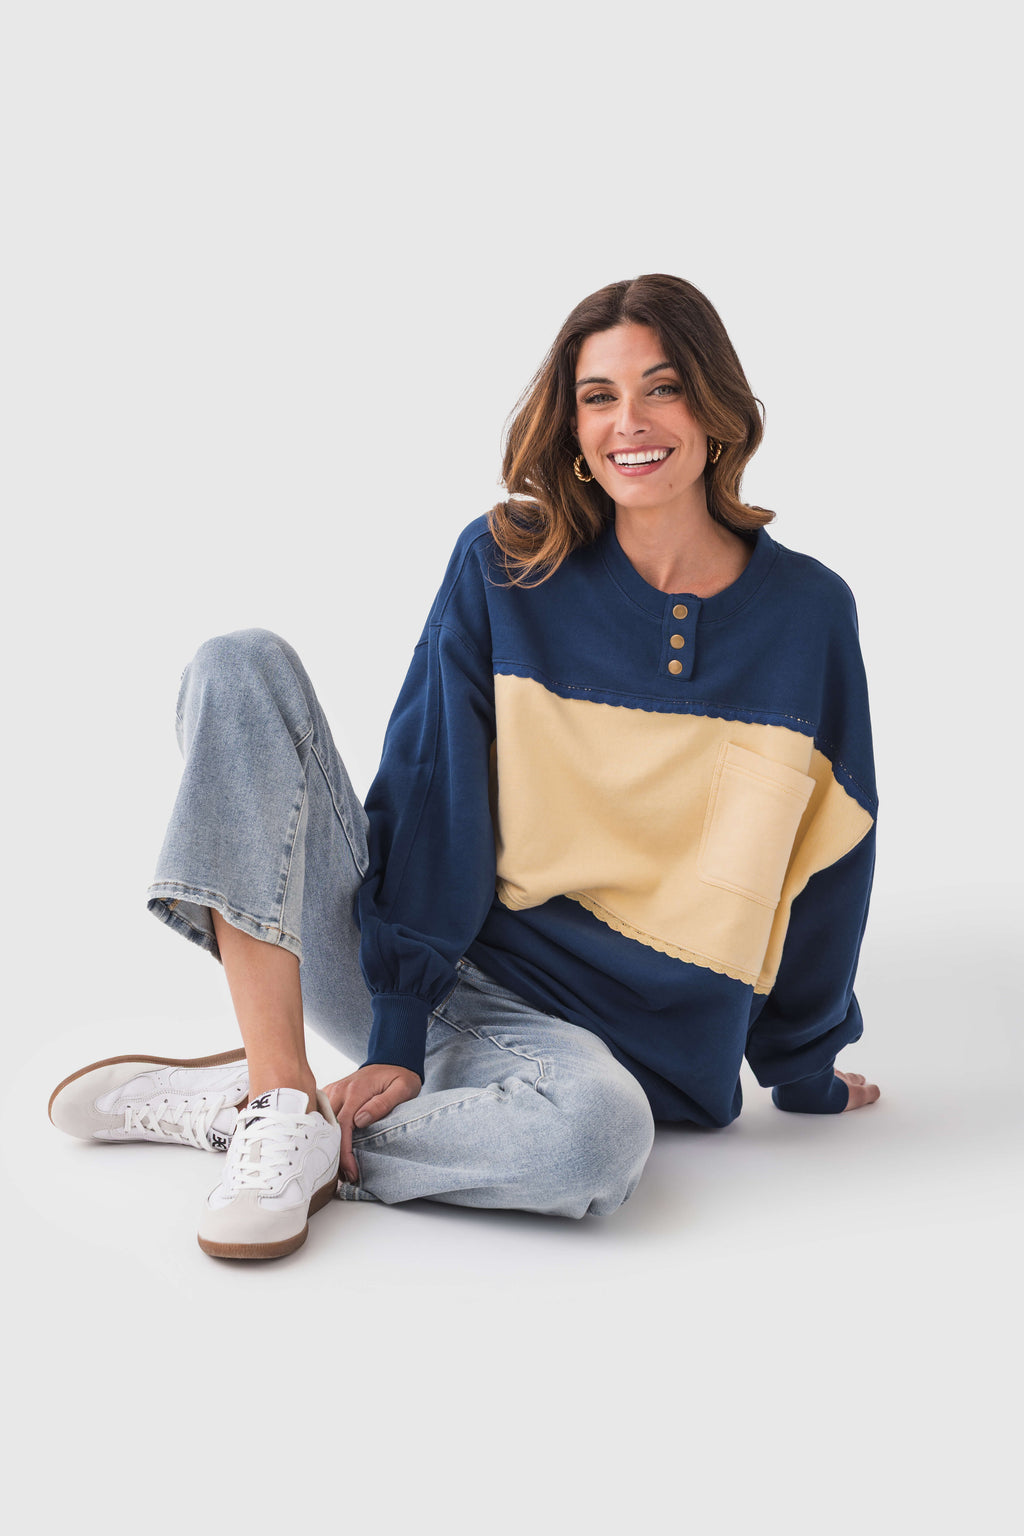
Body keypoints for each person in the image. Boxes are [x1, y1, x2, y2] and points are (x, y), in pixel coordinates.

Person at [48, 274, 880, 1261]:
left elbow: (830, 853)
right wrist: (398, 1027)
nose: (630, 422)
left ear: (715, 406)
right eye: (599, 396)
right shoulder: (506, 563)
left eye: (662, 388)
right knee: (241, 666)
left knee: (593, 1140)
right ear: (573, 427)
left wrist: (803, 1068)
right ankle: (275, 1096)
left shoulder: (808, 615)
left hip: (617, 1062)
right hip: (422, 969)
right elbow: (433, 790)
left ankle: (273, 1132)